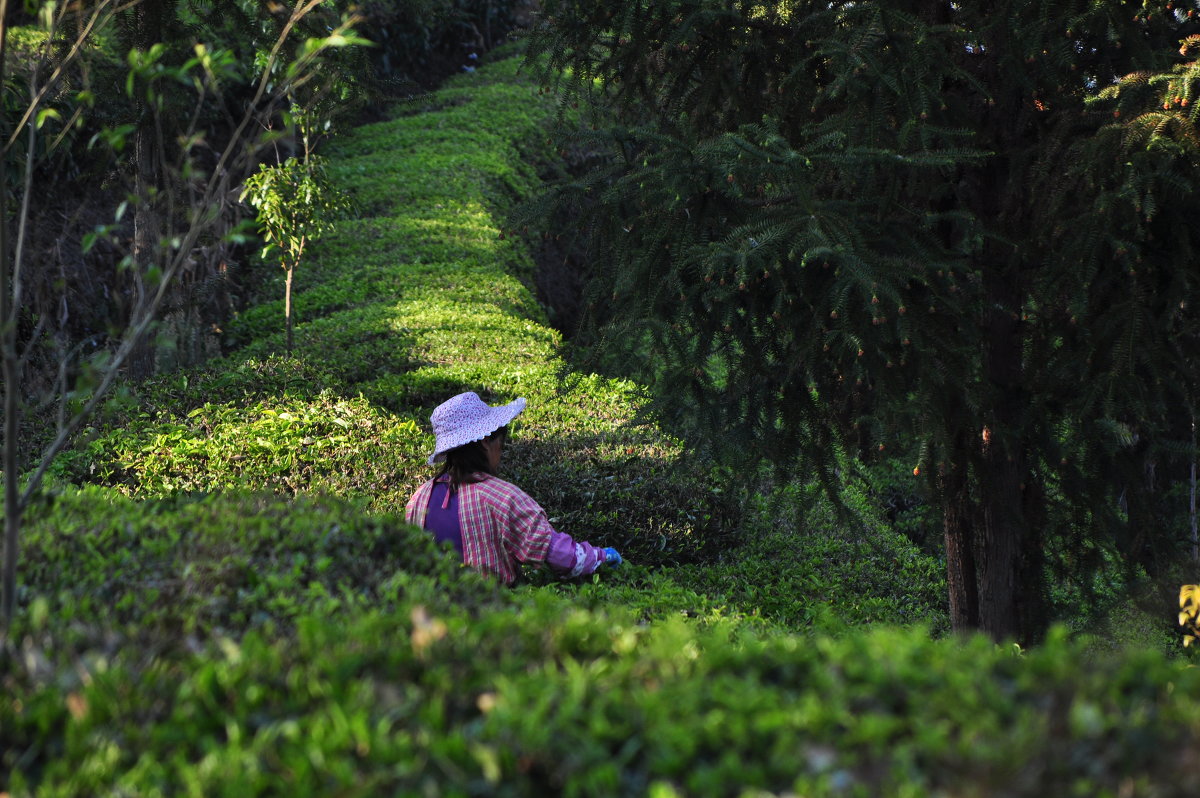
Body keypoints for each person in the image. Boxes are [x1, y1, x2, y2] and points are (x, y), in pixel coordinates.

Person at [405, 391, 623, 584]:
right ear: (485, 441)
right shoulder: (503, 497)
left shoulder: (419, 498)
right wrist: (600, 556)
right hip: (491, 616)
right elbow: (556, 553)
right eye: (502, 439)